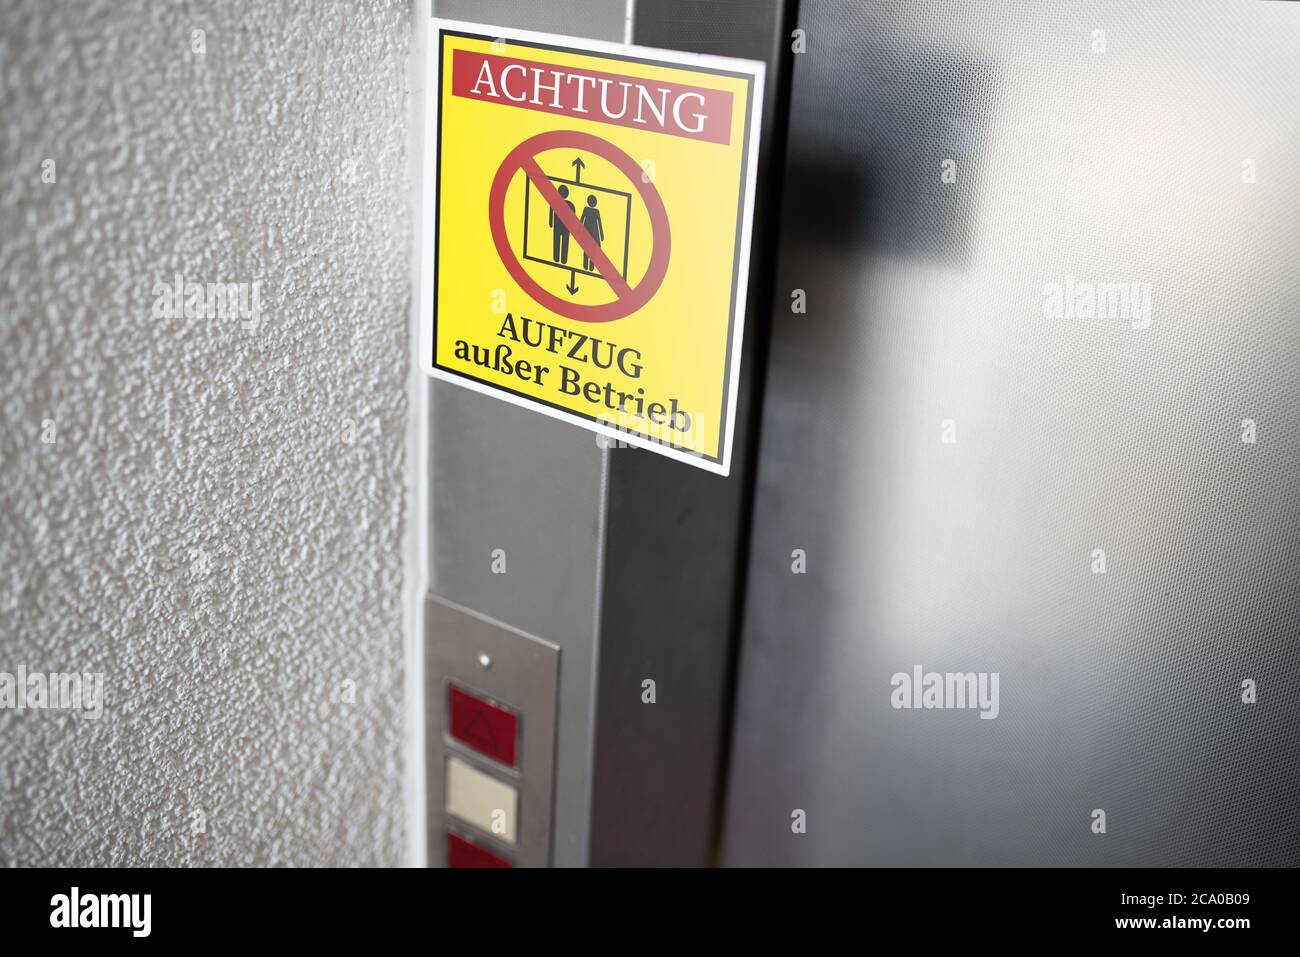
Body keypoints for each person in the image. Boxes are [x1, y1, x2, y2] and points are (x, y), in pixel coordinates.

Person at [549, 184, 574, 263]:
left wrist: (551, 223)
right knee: (564, 242)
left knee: (557, 241)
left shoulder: (554, 202)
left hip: (558, 226)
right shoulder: (570, 204)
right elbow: (573, 217)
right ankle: (563, 260)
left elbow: (551, 213)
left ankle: (556, 258)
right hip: (566, 227)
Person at [579, 195, 604, 273]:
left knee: (590, 250)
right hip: (591, 233)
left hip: (591, 233)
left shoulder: (591, 210)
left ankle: (589, 266)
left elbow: (599, 223)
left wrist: (602, 235)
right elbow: (582, 219)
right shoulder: (588, 210)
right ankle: (588, 266)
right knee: (589, 250)